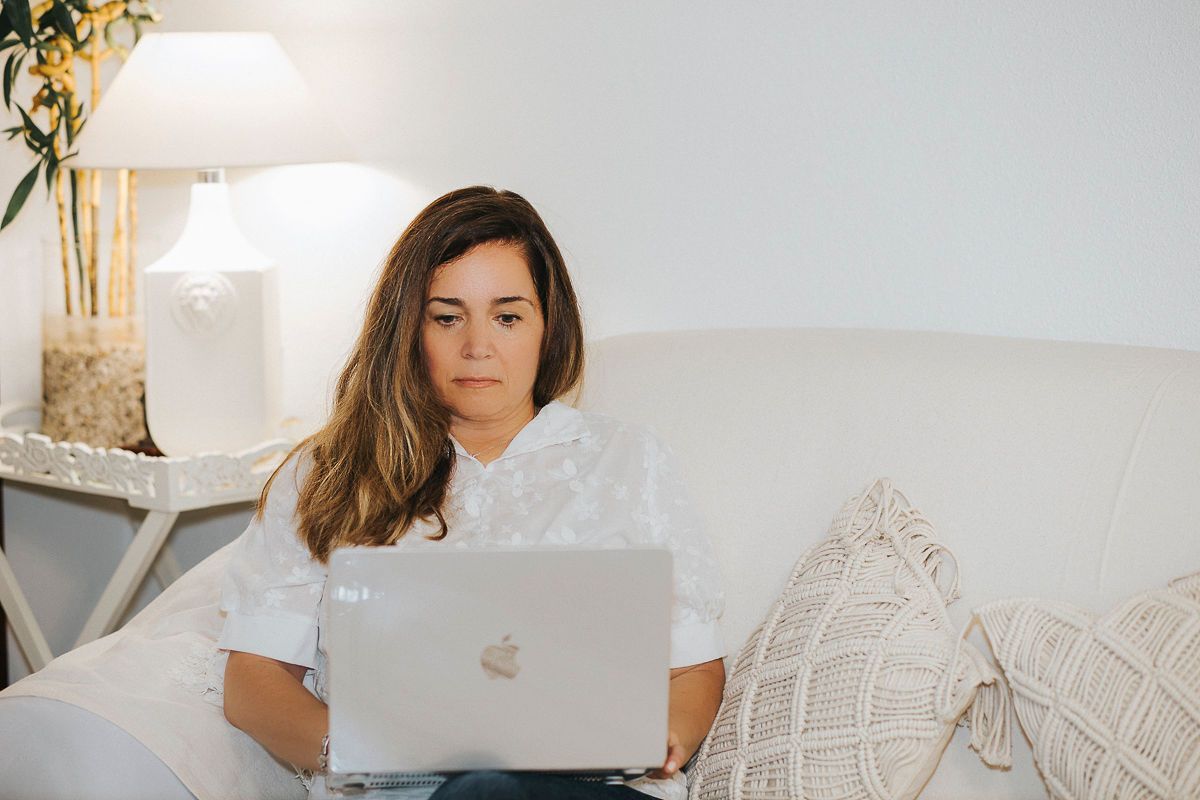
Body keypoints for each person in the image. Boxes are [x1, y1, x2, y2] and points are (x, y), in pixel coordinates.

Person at [0, 186, 726, 800]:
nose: (478, 345)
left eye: (507, 315)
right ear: (409, 329)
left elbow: (695, 667)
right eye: (447, 316)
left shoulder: (628, 460)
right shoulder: (330, 474)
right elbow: (254, 681)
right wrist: (356, 751)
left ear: (547, 325)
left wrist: (669, 737)